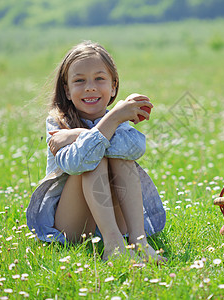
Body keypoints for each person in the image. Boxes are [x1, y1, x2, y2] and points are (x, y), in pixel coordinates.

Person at [26, 41, 166, 262]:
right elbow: (75, 164)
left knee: (120, 156)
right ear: (67, 90)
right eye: (79, 80)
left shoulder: (116, 117)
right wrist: (110, 121)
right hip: (73, 225)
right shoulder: (57, 123)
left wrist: (79, 134)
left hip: (116, 218)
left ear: (113, 86)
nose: (90, 87)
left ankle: (139, 242)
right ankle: (113, 247)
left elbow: (136, 149)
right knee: (92, 157)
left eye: (99, 79)